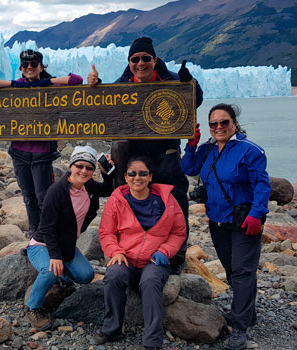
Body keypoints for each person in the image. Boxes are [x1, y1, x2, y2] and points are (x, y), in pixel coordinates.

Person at [87, 36, 203, 275]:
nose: (140, 63)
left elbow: (195, 100)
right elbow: (106, 105)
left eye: (145, 58)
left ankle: (176, 256)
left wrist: (190, 82)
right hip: (137, 153)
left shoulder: (171, 78)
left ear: (154, 59)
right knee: (134, 200)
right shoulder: (124, 82)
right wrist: (96, 86)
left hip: (166, 151)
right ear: (129, 62)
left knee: (176, 199)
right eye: (135, 59)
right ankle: (131, 251)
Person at [181, 103, 270, 350]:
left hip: (243, 221)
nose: (219, 127)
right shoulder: (208, 149)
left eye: (224, 122)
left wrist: (257, 213)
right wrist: (190, 145)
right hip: (218, 221)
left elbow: (262, 185)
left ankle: (240, 327)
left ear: (234, 124)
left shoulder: (250, 151)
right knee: (232, 270)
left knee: (243, 271)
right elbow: (188, 168)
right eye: (213, 123)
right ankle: (248, 313)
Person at [0, 49, 83, 238]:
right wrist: (15, 85)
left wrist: (45, 82)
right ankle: (35, 233)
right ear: (20, 68)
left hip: (42, 152)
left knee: (43, 197)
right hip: (19, 151)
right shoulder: (15, 86)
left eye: (34, 64)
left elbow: (76, 80)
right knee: (28, 197)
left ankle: (48, 233)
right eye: (25, 65)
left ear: (41, 66)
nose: (29, 67)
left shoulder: (50, 86)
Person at [92, 156, 186, 350]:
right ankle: (111, 329)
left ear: (150, 177)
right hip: (125, 257)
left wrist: (165, 251)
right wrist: (115, 251)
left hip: (154, 259)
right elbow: (106, 232)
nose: (138, 177)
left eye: (143, 173)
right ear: (126, 177)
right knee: (114, 275)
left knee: (150, 282)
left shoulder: (166, 200)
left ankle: (152, 340)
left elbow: (178, 232)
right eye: (132, 173)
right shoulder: (117, 200)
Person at [25, 145, 115, 330]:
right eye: (79, 166)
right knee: (50, 271)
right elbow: (47, 228)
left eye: (89, 168)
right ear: (71, 166)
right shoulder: (56, 191)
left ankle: (60, 274)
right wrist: (55, 256)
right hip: (42, 244)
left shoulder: (88, 187)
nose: (84, 171)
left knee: (86, 275)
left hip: (66, 245)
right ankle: (33, 307)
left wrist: (107, 172)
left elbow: (107, 190)